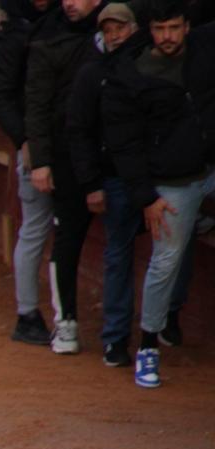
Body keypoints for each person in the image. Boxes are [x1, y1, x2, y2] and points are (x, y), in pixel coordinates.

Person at [67, 1, 195, 366]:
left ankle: (167, 317)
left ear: (135, 29)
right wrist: (92, 182)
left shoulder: (158, 63)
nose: (113, 36)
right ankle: (117, 338)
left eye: (119, 29)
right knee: (122, 253)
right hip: (119, 178)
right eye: (107, 31)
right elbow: (80, 131)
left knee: (173, 247)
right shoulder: (95, 74)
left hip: (162, 173)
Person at [100, 0, 215, 387]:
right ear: (150, 29)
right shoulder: (130, 76)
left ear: (187, 26)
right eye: (160, 29)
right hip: (173, 183)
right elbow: (125, 145)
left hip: (210, 168)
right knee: (165, 262)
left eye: (175, 28)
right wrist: (146, 197)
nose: (168, 37)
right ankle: (149, 345)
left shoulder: (204, 45)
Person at [25, 0, 107, 354]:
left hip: (117, 161)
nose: (69, 3)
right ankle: (66, 323)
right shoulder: (50, 43)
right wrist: (41, 162)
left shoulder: (124, 44)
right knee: (68, 239)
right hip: (68, 160)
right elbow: (38, 106)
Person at [0, 0, 60, 343]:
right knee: (38, 227)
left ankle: (59, 317)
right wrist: (24, 140)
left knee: (43, 229)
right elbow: (0, 95)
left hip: (63, 144)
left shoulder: (60, 24)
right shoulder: (15, 35)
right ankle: (31, 314)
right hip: (36, 146)